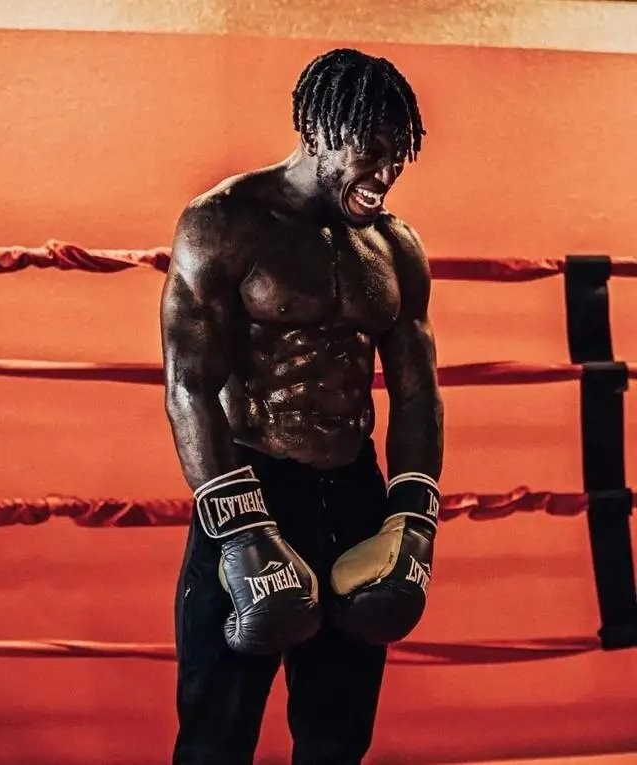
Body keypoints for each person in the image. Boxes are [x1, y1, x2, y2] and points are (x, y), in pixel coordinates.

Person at [160, 47, 444, 765]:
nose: (385, 175)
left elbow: (417, 390)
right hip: (252, 478)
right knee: (216, 733)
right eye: (370, 151)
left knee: (337, 733)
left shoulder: (394, 247)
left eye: (398, 157)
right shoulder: (224, 223)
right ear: (319, 130)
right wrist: (240, 530)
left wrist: (412, 518)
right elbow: (189, 384)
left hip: (354, 496)